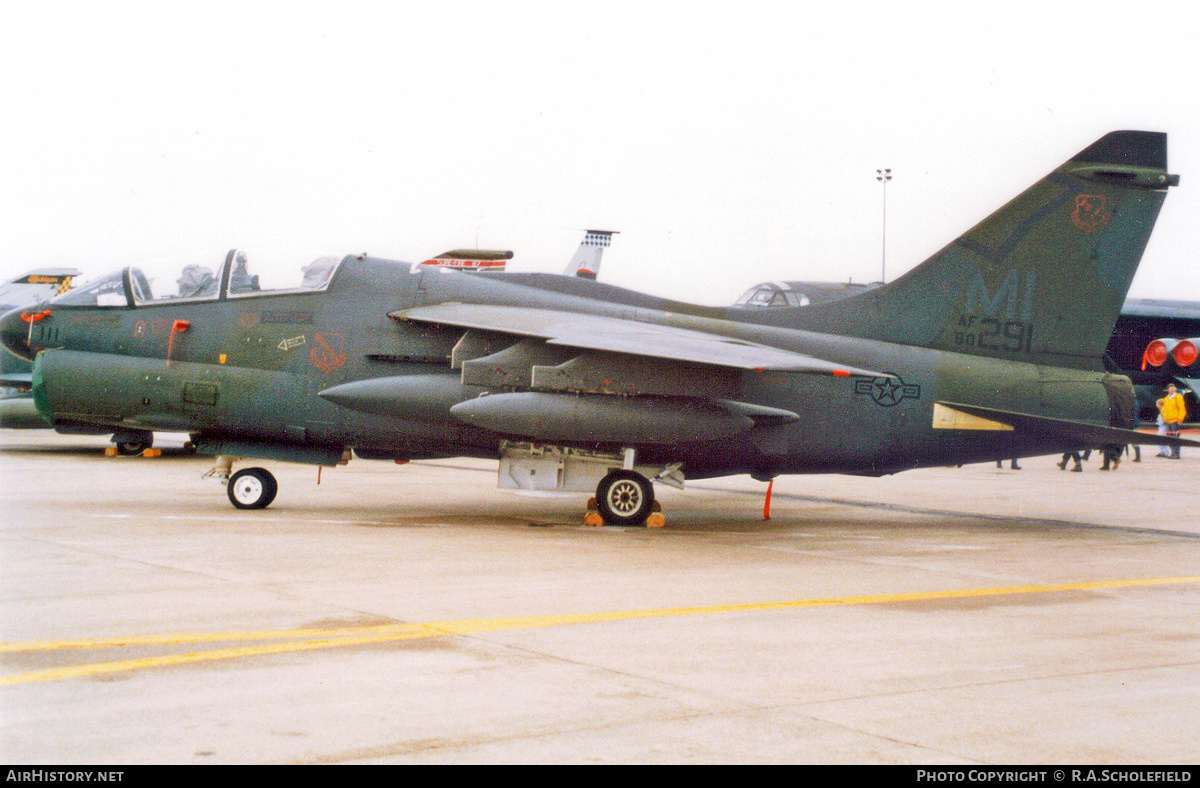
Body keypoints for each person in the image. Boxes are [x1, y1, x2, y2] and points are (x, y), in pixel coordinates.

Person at [1160, 384, 1187, 459]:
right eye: (1170, 388)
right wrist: (1164, 418)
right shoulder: (1166, 398)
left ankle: (1176, 454)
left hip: (1175, 421)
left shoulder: (1178, 397)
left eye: (1173, 388)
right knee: (1170, 438)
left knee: (1175, 438)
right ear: (1168, 389)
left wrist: (1180, 419)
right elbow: (1164, 410)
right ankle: (1173, 453)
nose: (1172, 389)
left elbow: (1182, 409)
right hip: (1168, 421)